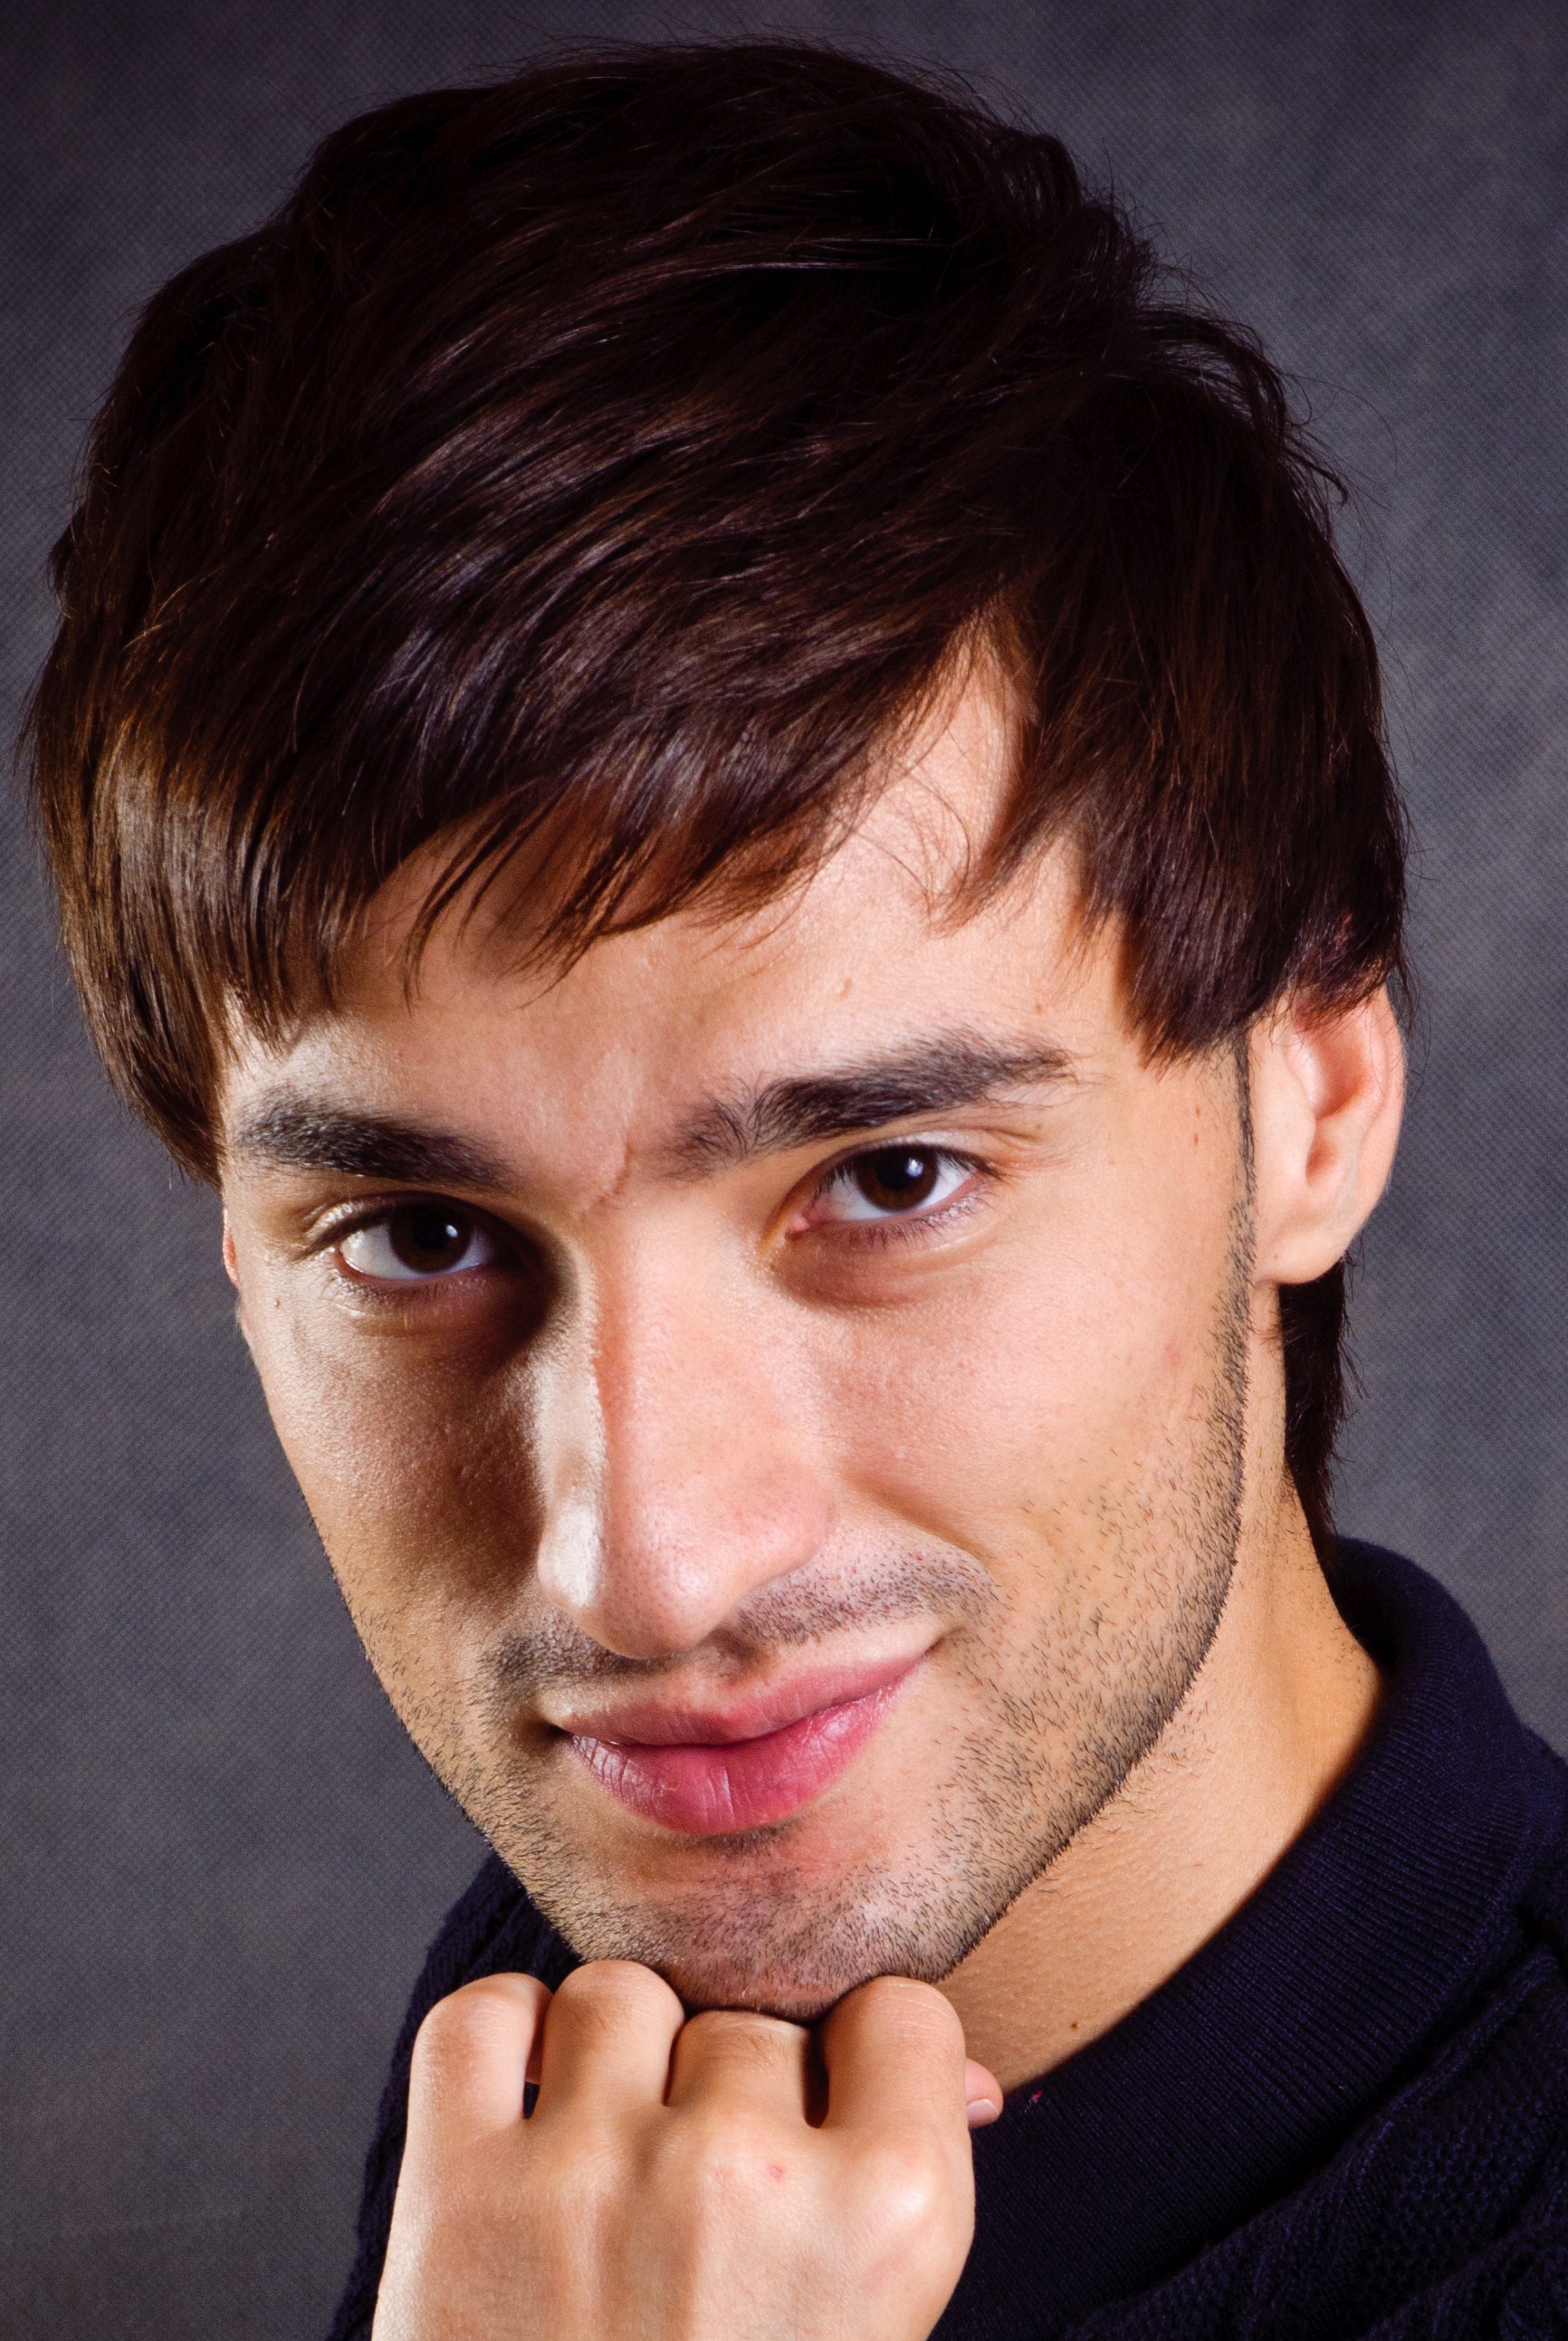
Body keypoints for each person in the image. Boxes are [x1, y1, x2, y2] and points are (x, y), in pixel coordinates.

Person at [24, 38, 1568, 2340]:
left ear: (1314, 1109)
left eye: (890, 1177)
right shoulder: (576, 2061)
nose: (644, 1570)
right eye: (421, 1238)